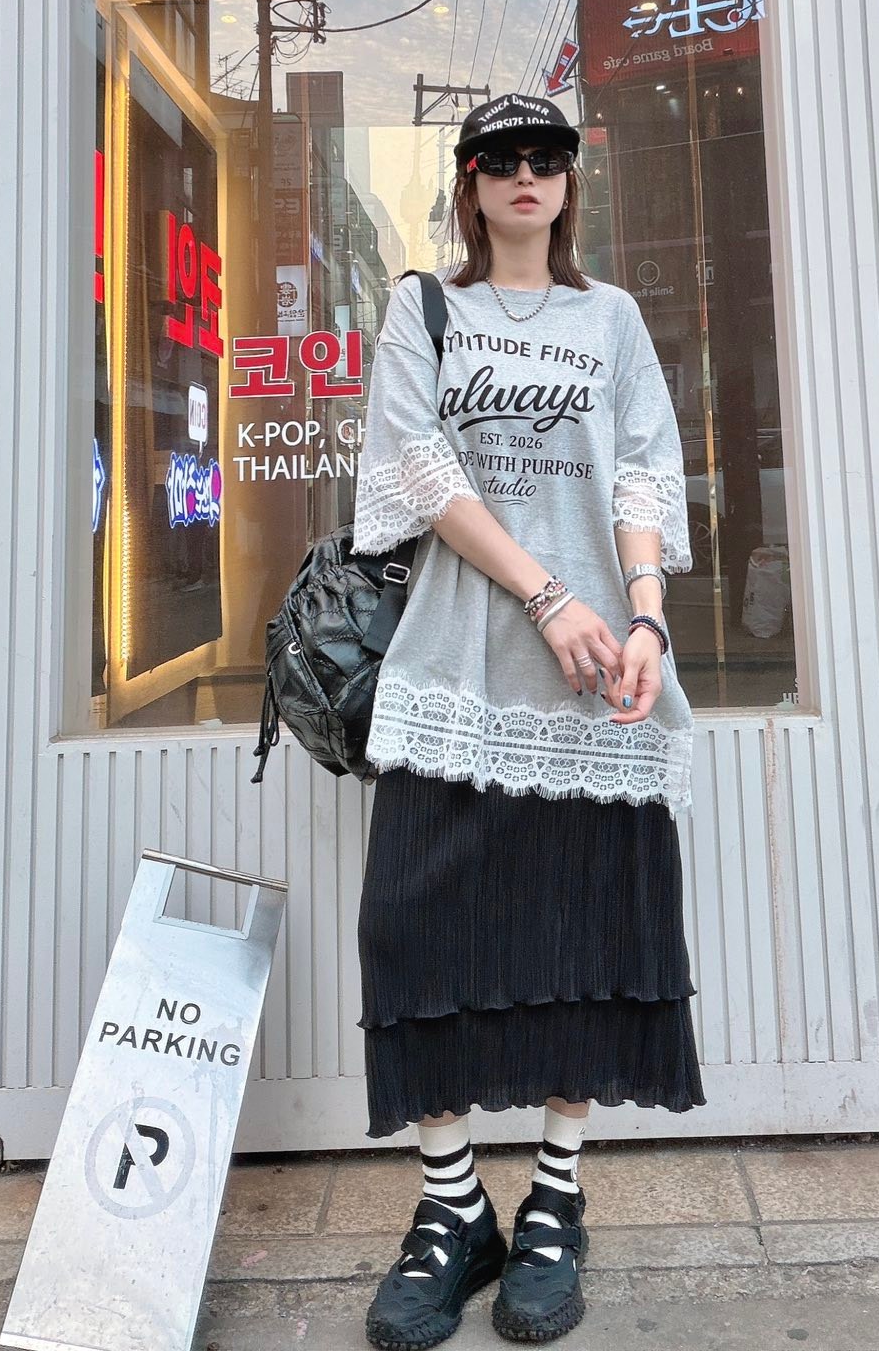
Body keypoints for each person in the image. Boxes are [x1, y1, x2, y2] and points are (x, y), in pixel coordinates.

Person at [349, 92, 704, 1350]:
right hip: (461, 663)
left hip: (596, 673)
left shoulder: (610, 318)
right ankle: (454, 1208)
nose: (524, 174)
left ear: (567, 181)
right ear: (468, 182)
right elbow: (423, 469)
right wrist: (547, 595)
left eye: (545, 156)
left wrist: (646, 617)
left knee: (583, 928)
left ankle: (555, 1199)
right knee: (411, 926)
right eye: (498, 158)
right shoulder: (423, 310)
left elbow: (645, 467)